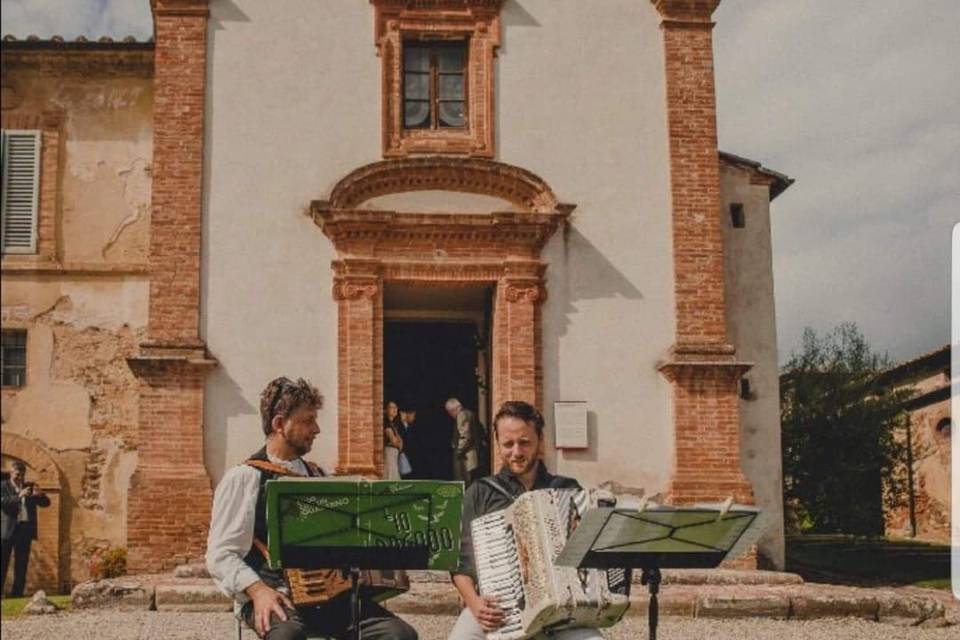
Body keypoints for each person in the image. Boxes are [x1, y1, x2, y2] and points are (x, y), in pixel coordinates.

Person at [206, 376, 417, 640]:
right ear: (279, 424)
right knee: (288, 636)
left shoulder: (318, 476)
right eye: (308, 421)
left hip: (331, 599)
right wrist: (257, 591)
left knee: (398, 634)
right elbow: (220, 555)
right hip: (275, 595)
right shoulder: (245, 477)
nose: (316, 429)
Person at [448, 401, 603, 640]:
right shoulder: (480, 492)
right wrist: (475, 604)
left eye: (525, 442)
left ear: (540, 441)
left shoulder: (567, 490)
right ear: (498, 444)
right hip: (499, 608)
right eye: (508, 444)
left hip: (562, 612)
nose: (516, 452)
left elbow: (590, 558)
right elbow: (460, 565)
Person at [1, 460, 50, 598]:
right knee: (3, 562)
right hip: (7, 531)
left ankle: (17, 594)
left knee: (21, 564)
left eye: (22, 475)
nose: (20, 477)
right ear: (11, 473)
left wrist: (40, 495)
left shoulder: (30, 486)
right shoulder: (3, 486)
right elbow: (3, 503)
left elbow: (46, 503)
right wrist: (19, 496)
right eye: (17, 474)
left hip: (24, 530)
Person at [446, 398, 487, 486]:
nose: (451, 416)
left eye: (450, 413)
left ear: (453, 410)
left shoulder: (462, 415)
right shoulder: (470, 413)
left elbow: (465, 436)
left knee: (465, 485)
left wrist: (458, 451)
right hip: (472, 456)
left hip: (466, 458)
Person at [383, 401, 404, 480]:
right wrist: (398, 443)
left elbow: (400, 443)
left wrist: (399, 443)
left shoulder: (394, 424)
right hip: (389, 452)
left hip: (395, 453)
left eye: (396, 407)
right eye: (391, 407)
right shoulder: (386, 423)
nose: (394, 409)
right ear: (386, 410)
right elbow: (394, 442)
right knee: (390, 474)